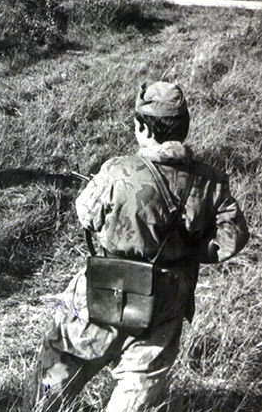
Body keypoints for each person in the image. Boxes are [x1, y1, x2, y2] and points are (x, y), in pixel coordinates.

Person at [27, 81, 249, 412]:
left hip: (103, 289)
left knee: (60, 364)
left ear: (142, 126)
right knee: (138, 391)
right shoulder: (211, 180)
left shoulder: (117, 169)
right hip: (166, 299)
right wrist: (188, 251)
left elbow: (86, 214)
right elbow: (232, 238)